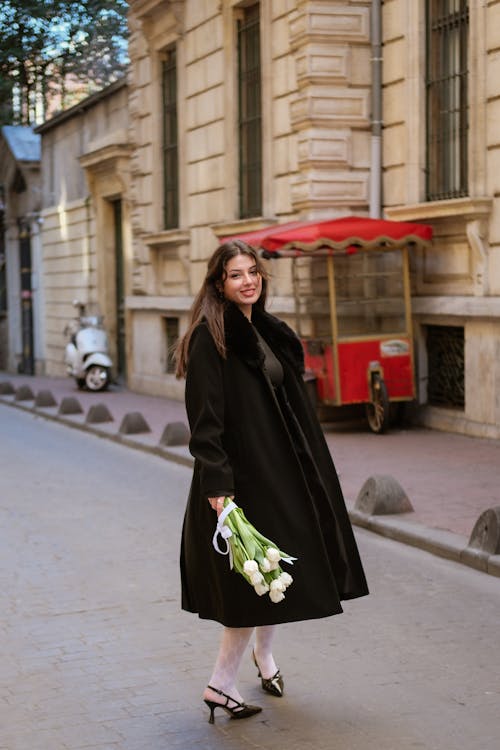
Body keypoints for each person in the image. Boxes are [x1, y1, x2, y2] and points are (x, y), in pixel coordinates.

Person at [175, 239, 369, 724]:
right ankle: (221, 683)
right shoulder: (210, 336)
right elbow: (205, 423)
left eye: (253, 272)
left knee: (278, 570)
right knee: (253, 578)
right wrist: (219, 491)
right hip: (242, 480)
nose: (248, 281)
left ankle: (265, 658)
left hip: (282, 471)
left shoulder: (262, 330)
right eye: (236, 274)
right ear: (219, 283)